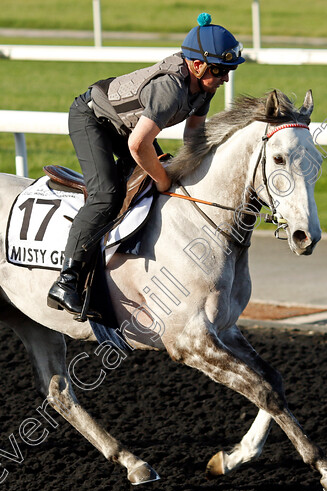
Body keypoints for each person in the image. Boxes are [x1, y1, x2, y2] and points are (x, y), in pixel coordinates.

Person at [47, 12, 245, 321]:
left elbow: (193, 138)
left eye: (228, 70)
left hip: (126, 128)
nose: (225, 78)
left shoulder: (203, 88)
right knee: (107, 195)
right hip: (93, 120)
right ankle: (66, 281)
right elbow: (138, 145)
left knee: (162, 178)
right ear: (197, 65)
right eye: (220, 70)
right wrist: (163, 178)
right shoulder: (170, 89)